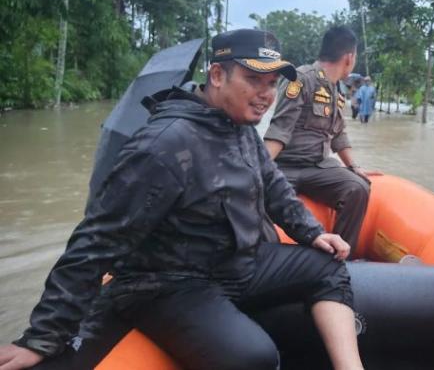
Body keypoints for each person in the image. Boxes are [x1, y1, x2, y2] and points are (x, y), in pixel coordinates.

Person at [0, 29, 364, 370]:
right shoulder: (164, 145)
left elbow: (274, 186)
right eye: (253, 79)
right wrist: (43, 337)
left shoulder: (240, 127)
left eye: (272, 82)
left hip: (236, 263)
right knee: (255, 356)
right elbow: (95, 240)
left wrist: (312, 232)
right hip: (170, 283)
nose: (266, 93)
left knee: (329, 264)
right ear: (217, 76)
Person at [265, 26, 371, 252]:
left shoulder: (337, 90)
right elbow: (279, 130)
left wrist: (353, 166)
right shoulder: (300, 78)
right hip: (286, 166)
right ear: (349, 58)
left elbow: (339, 134)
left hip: (318, 167)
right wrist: (258, 170)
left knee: (358, 188)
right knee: (261, 196)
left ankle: (341, 257)